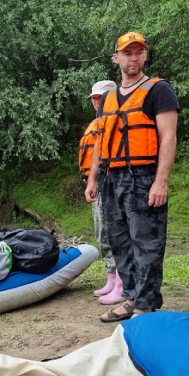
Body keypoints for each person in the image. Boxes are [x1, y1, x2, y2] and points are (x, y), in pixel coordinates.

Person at [85, 32, 179, 322]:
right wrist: (92, 179)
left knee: (146, 242)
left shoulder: (159, 90)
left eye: (138, 52)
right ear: (117, 58)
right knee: (119, 241)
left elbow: (168, 137)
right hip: (111, 178)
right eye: (127, 53)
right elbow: (101, 142)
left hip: (143, 176)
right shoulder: (108, 98)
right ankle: (129, 298)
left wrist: (160, 181)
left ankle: (146, 305)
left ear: (145, 56)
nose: (133, 58)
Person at [79, 80, 124, 305]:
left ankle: (121, 283)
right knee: (102, 234)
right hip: (96, 183)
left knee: (113, 233)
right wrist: (91, 181)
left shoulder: (115, 121)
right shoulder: (97, 123)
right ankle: (111, 277)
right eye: (94, 98)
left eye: (100, 97)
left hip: (111, 182)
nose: (96, 102)